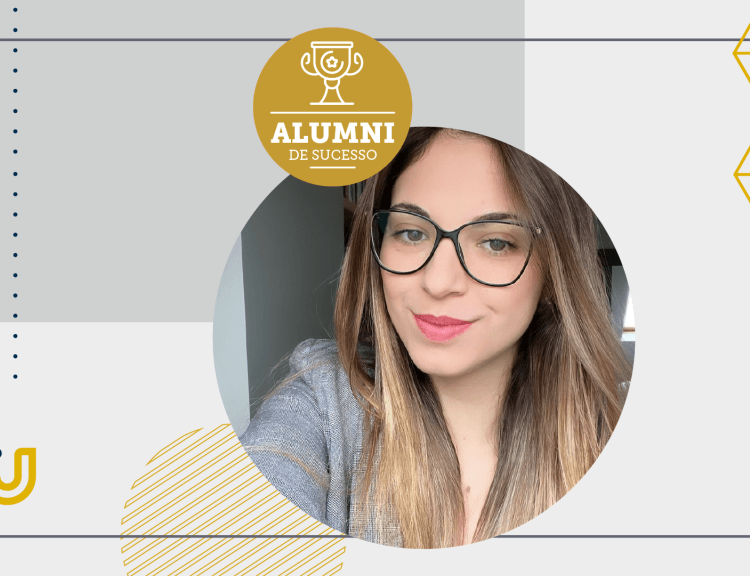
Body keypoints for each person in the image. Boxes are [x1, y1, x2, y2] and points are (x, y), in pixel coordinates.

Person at [240, 127, 632, 548]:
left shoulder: (611, 437)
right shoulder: (325, 403)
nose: (438, 282)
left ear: (555, 270)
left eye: (495, 242)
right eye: (412, 233)